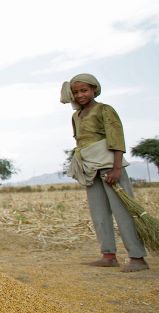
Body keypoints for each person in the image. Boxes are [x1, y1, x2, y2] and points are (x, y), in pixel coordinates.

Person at [60, 73, 148, 272]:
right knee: (98, 213)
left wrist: (117, 168)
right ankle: (108, 255)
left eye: (84, 90)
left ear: (94, 90)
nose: (80, 95)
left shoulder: (104, 110)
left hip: (109, 166)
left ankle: (137, 257)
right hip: (90, 168)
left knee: (123, 212)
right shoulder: (76, 116)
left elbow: (116, 137)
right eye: (75, 92)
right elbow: (80, 142)